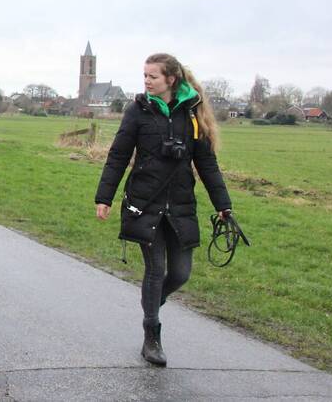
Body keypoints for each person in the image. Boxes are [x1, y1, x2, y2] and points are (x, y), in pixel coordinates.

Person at [94, 52, 233, 367]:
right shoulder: (137, 111)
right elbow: (118, 155)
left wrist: (223, 205)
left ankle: (152, 303)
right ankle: (151, 336)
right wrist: (104, 197)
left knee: (181, 273)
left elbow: (207, 163)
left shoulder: (192, 115)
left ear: (171, 79)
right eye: (144, 75)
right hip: (144, 203)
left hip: (181, 205)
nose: (146, 81)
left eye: (152, 76)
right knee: (155, 270)